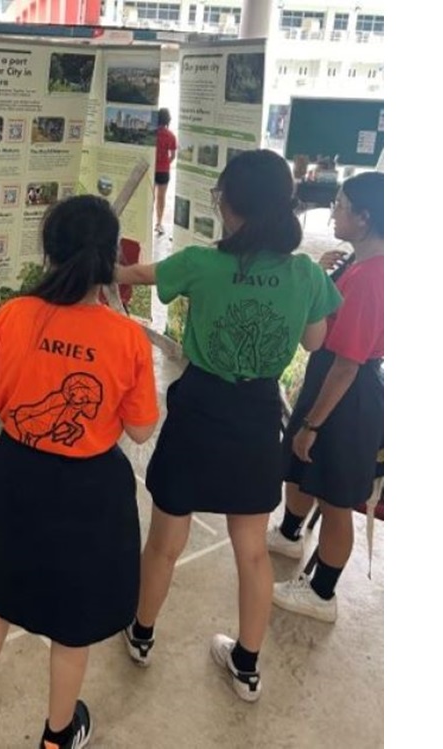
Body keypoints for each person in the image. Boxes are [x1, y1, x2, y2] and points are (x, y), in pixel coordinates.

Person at [116, 150, 341, 703]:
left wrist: (99, 267)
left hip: (200, 409)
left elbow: (136, 274)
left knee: (165, 541)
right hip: (257, 414)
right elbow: (315, 342)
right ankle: (246, 666)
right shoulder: (305, 273)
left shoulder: (203, 263)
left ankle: (141, 635)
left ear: (230, 205)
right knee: (253, 549)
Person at [0, 195, 159, 749]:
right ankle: (56, 736)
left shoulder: (11, 316)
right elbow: (142, 431)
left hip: (16, 477)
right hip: (90, 489)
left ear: (47, 252)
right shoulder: (127, 338)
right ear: (111, 259)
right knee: (73, 624)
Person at [269, 172, 384, 622]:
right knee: (300, 469)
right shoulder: (357, 262)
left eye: (340, 205)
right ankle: (289, 533)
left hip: (346, 394)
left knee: (335, 498)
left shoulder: (372, 278)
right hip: (328, 379)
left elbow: (347, 364)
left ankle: (322, 593)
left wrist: (313, 424)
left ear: (365, 217)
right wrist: (319, 274)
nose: (333, 212)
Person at [154, 108, 177, 235]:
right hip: (164, 170)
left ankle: (147, 221)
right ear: (168, 120)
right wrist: (165, 162)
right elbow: (172, 156)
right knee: (161, 197)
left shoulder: (152, 134)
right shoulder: (171, 136)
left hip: (152, 169)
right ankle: (159, 223)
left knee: (150, 197)